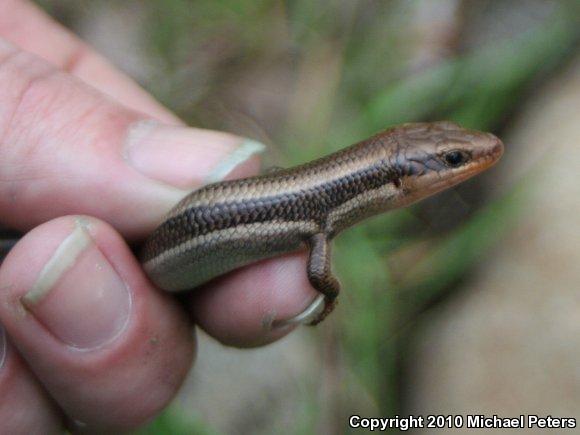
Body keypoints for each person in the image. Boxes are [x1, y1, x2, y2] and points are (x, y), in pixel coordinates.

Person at [0, 1, 319, 432]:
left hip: (147, 253)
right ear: (396, 182)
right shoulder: (317, 221)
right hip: (154, 241)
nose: (448, 172)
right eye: (447, 161)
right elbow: (319, 275)